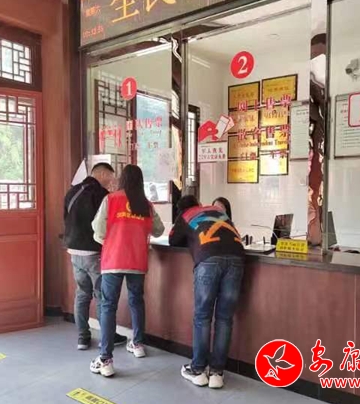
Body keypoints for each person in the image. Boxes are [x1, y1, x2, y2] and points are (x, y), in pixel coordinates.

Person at [90, 164, 164, 377]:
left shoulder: (111, 199)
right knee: (136, 301)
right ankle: (138, 344)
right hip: (137, 261)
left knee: (108, 306)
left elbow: (98, 229)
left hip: (113, 260)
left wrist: (110, 241)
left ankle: (105, 360)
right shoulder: (146, 205)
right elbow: (159, 230)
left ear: (122, 179)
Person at [169, 195, 245, 389]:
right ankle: (217, 373)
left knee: (203, 317)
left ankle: (198, 370)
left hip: (209, 259)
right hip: (237, 259)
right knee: (225, 318)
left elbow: (172, 240)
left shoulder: (186, 216)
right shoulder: (217, 211)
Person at [64, 162, 127, 351]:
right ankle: (108, 336)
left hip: (74, 251)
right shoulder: (102, 195)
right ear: (102, 174)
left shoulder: (72, 192)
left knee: (82, 293)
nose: (112, 181)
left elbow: (66, 219)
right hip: (94, 253)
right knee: (101, 295)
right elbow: (107, 224)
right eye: (110, 177)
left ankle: (82, 338)